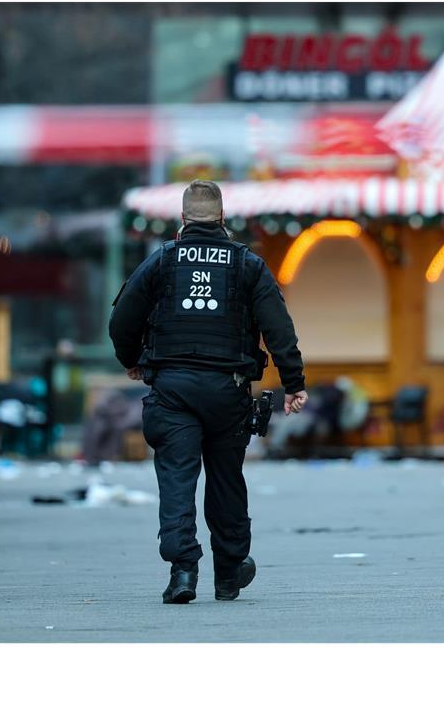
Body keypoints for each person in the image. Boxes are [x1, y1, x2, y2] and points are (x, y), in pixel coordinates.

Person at [109, 180, 308, 604]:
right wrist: (294, 383)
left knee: (177, 478)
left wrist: (133, 359)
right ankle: (230, 572)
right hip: (228, 390)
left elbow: (122, 318)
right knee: (226, 479)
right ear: (222, 218)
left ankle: (183, 571)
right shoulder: (246, 264)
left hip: (172, 389)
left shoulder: (162, 261)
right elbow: (278, 327)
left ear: (182, 219)